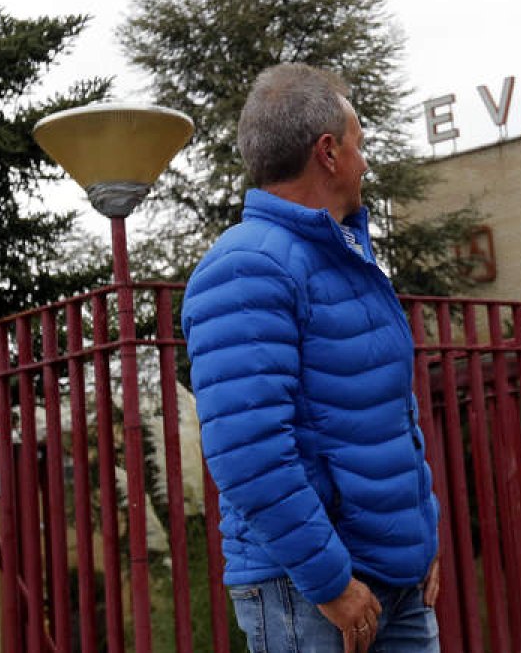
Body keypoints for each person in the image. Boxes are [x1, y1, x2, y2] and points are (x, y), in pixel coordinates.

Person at [182, 63, 441, 653]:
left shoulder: (345, 258)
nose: (365, 161)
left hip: (393, 581)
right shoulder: (245, 267)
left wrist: (421, 539)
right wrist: (330, 581)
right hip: (311, 594)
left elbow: (391, 413)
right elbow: (249, 453)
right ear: (328, 152)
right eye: (359, 143)